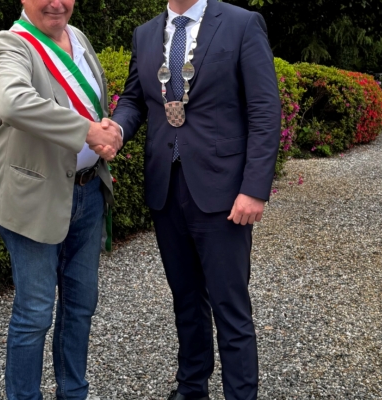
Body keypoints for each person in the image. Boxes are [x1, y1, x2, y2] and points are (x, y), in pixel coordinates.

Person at [98, 0, 281, 398]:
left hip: (224, 191)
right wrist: (117, 131)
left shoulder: (242, 24)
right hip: (166, 187)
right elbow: (134, 100)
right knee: (185, 299)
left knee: (230, 305)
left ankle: (240, 393)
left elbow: (265, 110)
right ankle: (192, 387)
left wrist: (254, 188)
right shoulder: (146, 34)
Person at [0, 0, 122, 399]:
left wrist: (108, 130)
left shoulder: (78, 37)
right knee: (34, 313)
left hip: (89, 192)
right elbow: (12, 103)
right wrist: (88, 131)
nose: (56, 3)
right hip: (35, 199)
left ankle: (73, 393)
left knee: (81, 306)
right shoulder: (11, 44)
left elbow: (92, 104)